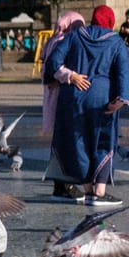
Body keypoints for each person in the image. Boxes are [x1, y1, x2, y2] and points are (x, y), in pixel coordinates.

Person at [45, 4, 129, 207]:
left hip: (74, 96)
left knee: (78, 141)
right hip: (103, 97)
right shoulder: (116, 42)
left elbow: (53, 62)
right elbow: (123, 74)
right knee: (103, 139)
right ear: (111, 21)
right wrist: (120, 100)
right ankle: (99, 192)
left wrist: (71, 75)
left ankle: (87, 188)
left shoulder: (75, 36)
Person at [40, 11, 87, 202]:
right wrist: (71, 76)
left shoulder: (54, 39)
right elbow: (52, 68)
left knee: (60, 141)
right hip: (61, 98)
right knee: (64, 141)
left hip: (54, 97)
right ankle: (63, 184)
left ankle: (62, 183)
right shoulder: (64, 40)